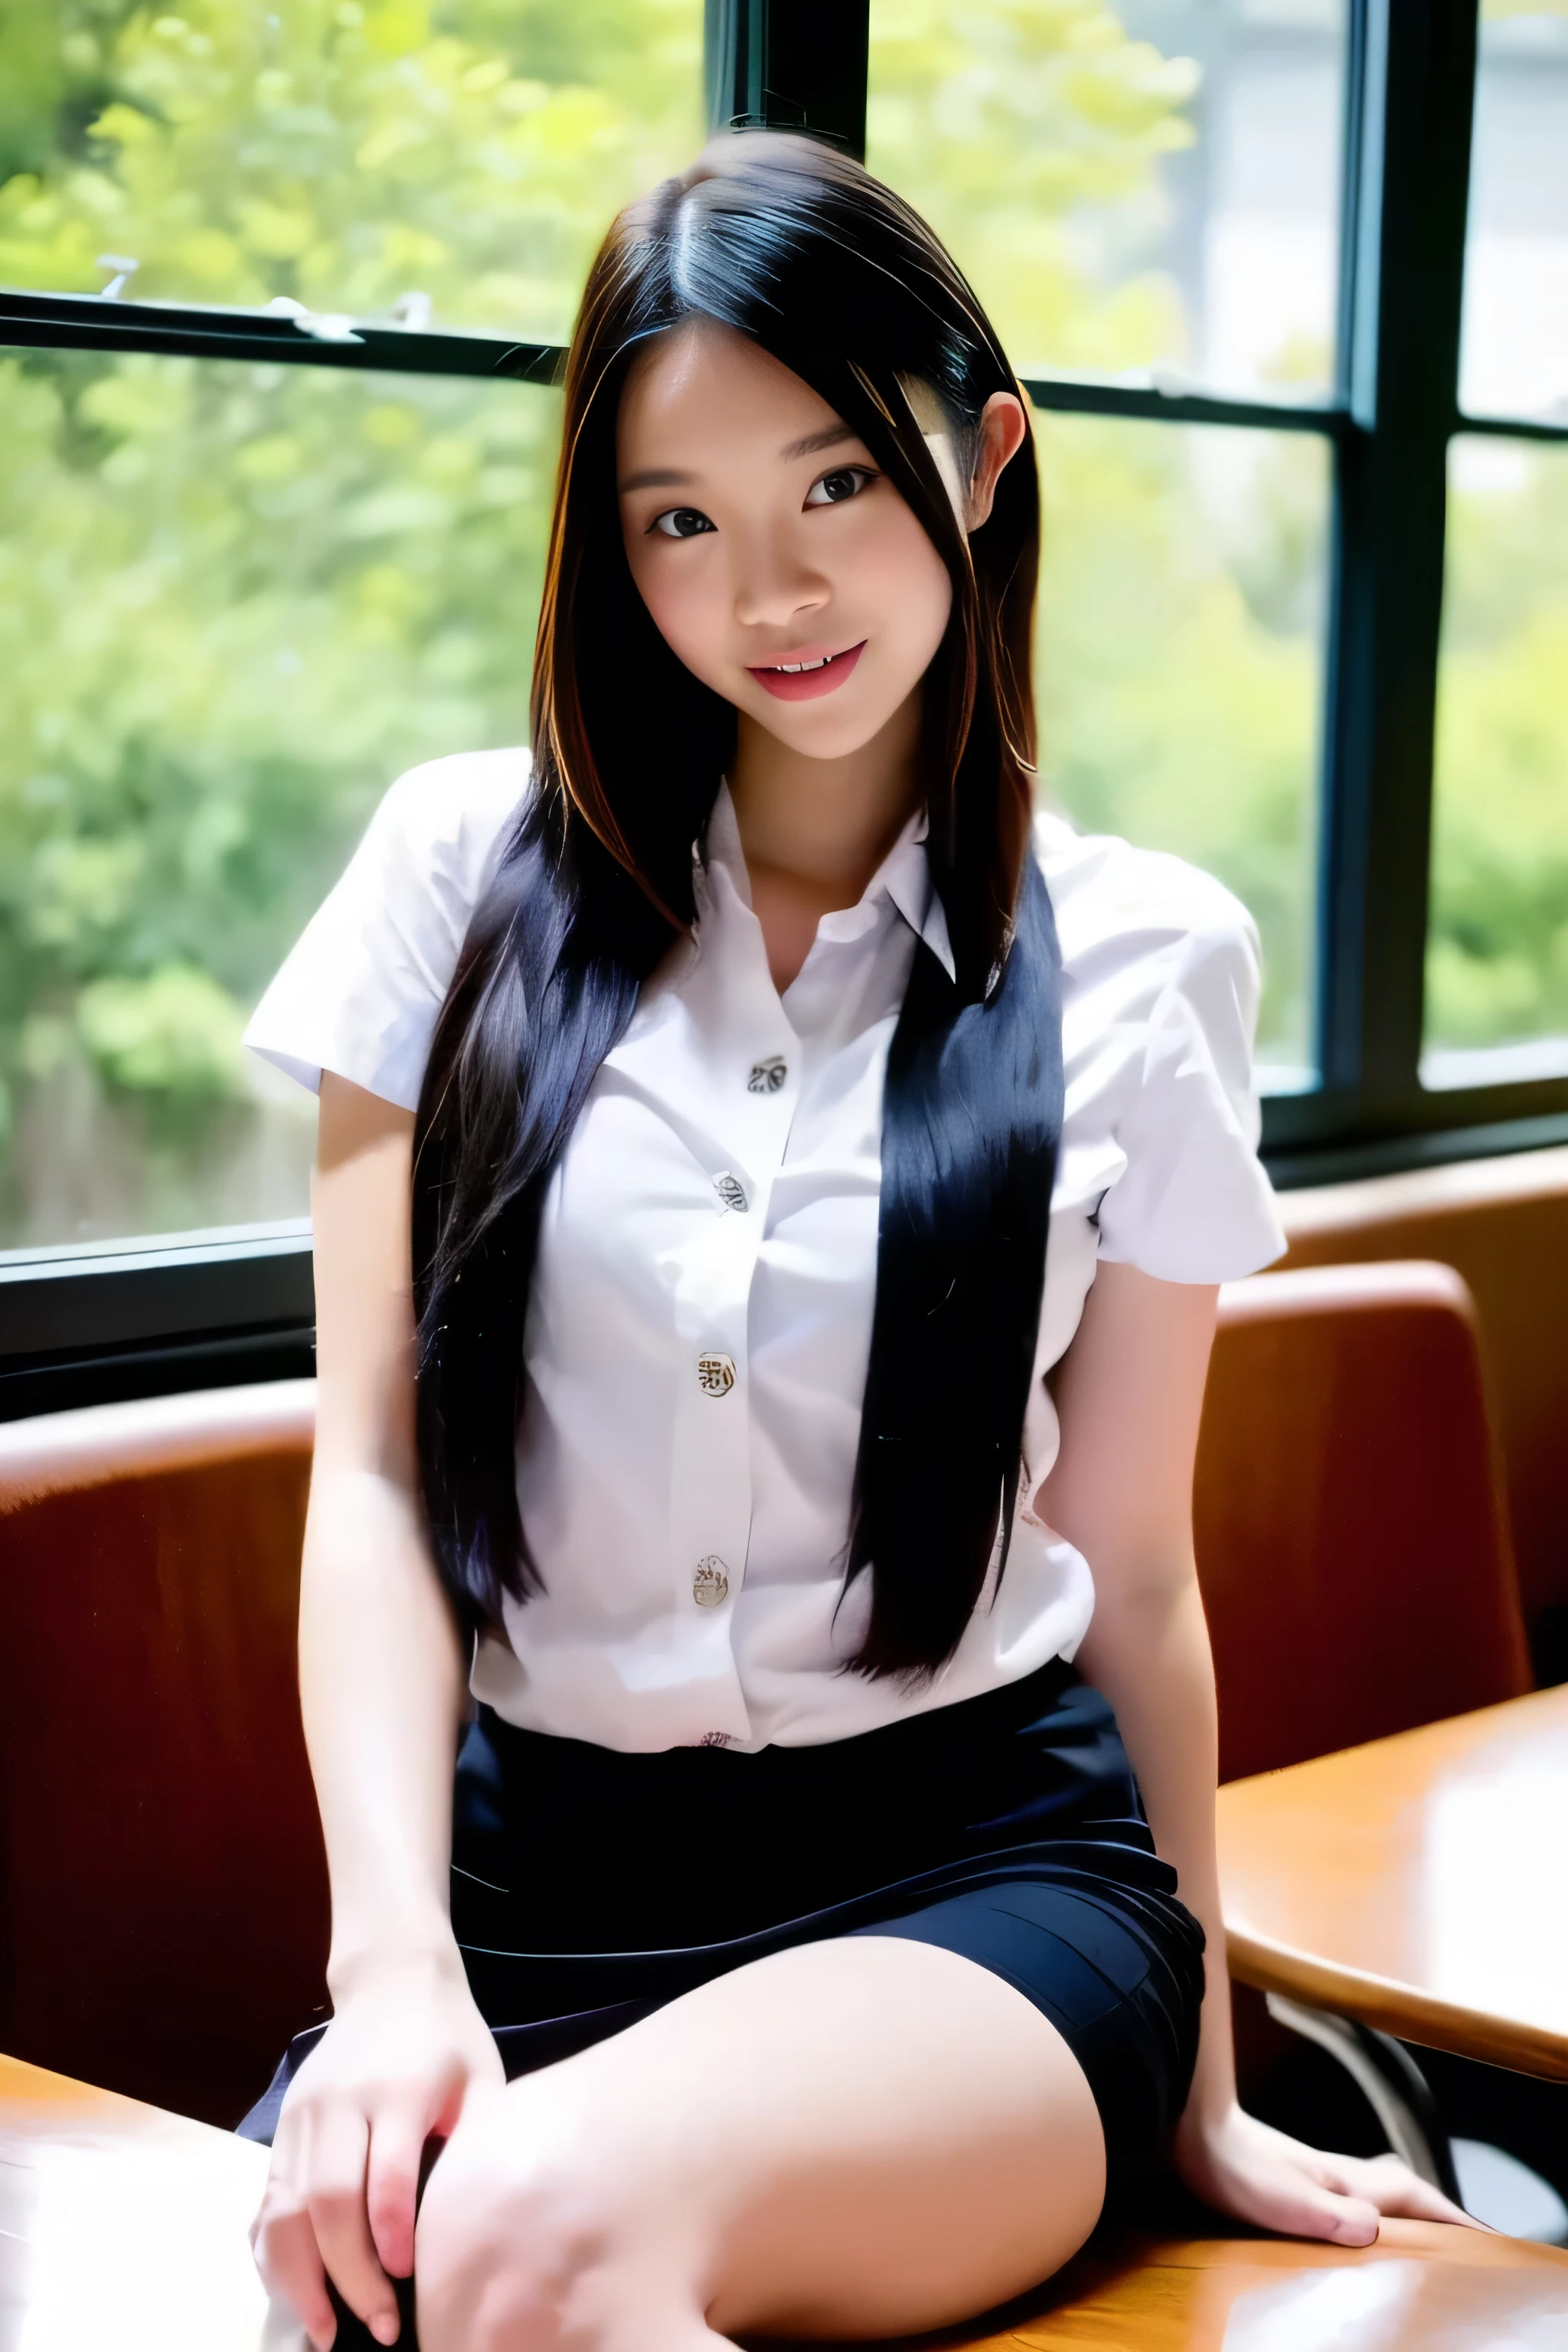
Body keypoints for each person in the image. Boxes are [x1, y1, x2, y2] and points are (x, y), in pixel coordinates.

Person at [242, 132, 1468, 2352]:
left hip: (974, 1896)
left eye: (836, 484)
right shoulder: (451, 882)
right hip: (522, 1895)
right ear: (611, 558)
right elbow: (376, 1486)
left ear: (983, 458)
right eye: (681, 524)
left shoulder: (1143, 958)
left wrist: (1197, 2087)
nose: (774, 592)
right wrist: (390, 1964)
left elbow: (1142, 1572)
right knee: (352, 2293)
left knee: (518, 2245)